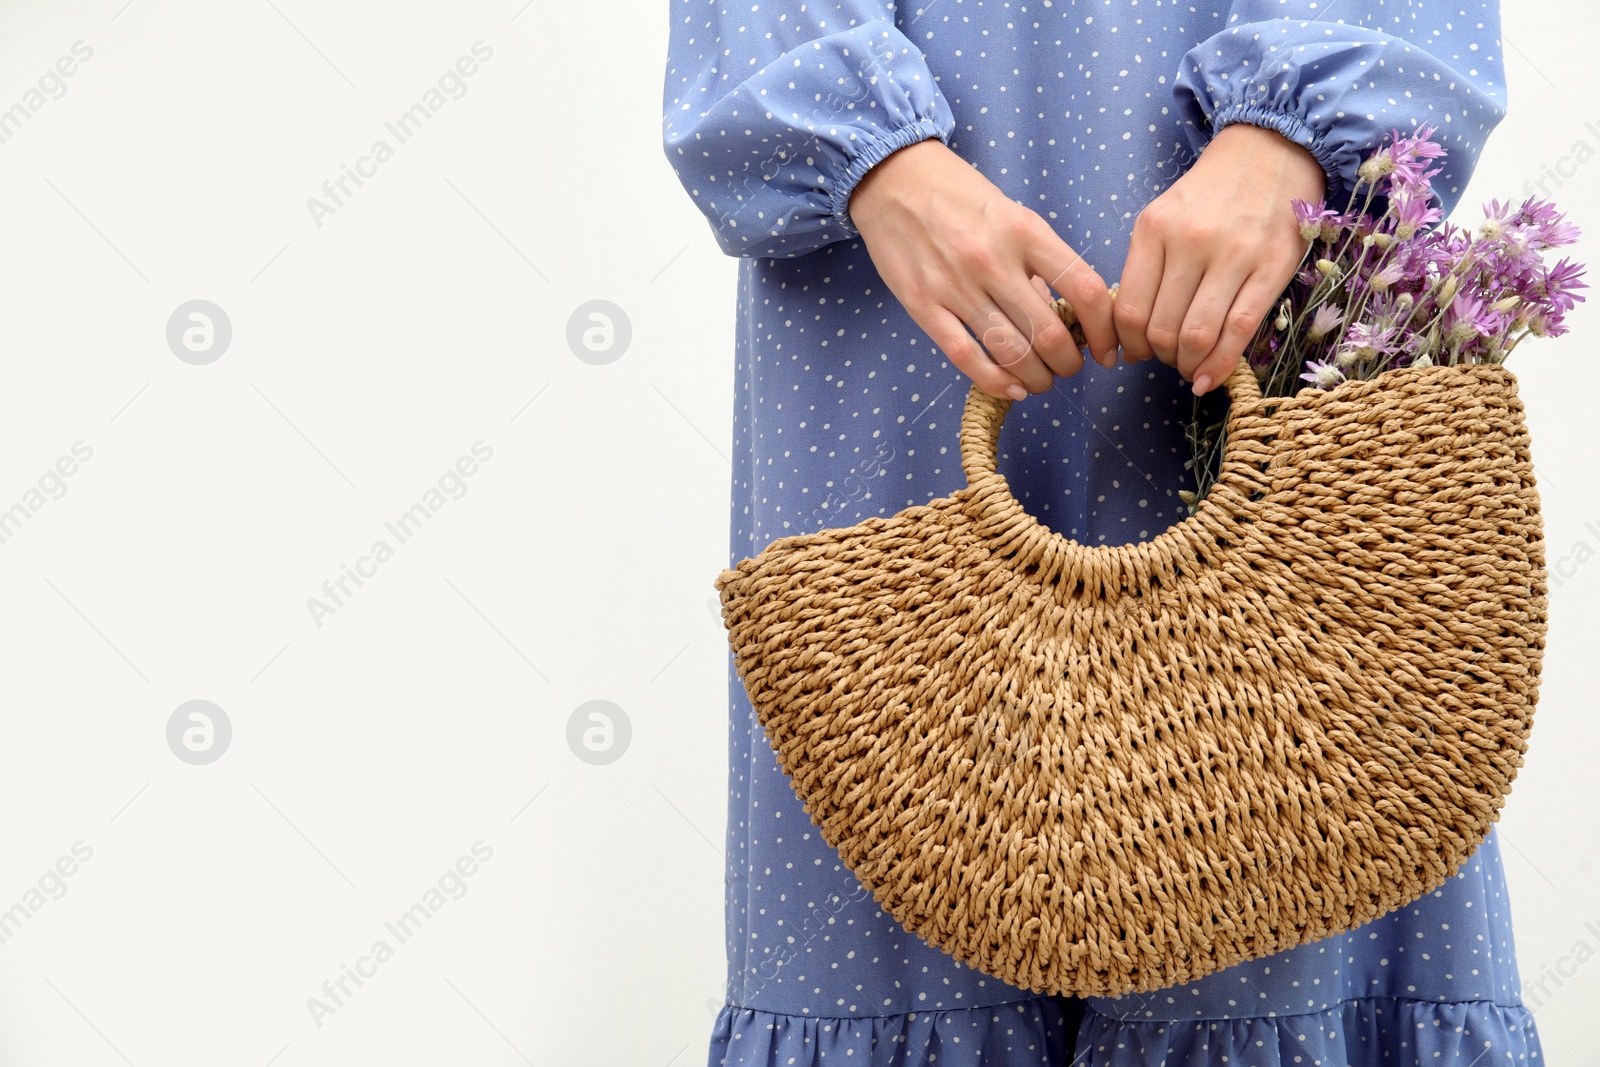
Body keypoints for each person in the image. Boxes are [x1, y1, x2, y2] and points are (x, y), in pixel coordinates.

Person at [660, 1, 1541, 1063]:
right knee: (896, 794)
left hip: (1265, 239)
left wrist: (1288, 130)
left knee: (1298, 817)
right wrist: (876, 159)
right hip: (894, 277)